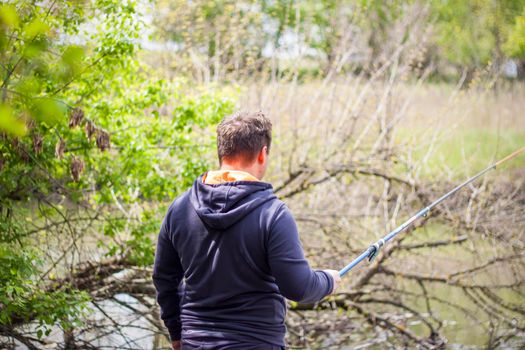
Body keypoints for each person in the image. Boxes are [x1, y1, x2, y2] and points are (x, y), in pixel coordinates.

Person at [152, 111, 341, 350]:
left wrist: (177, 333)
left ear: (222, 151)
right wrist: (328, 281)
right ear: (262, 154)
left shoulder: (180, 209)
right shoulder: (273, 214)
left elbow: (164, 277)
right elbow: (298, 287)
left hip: (195, 343)